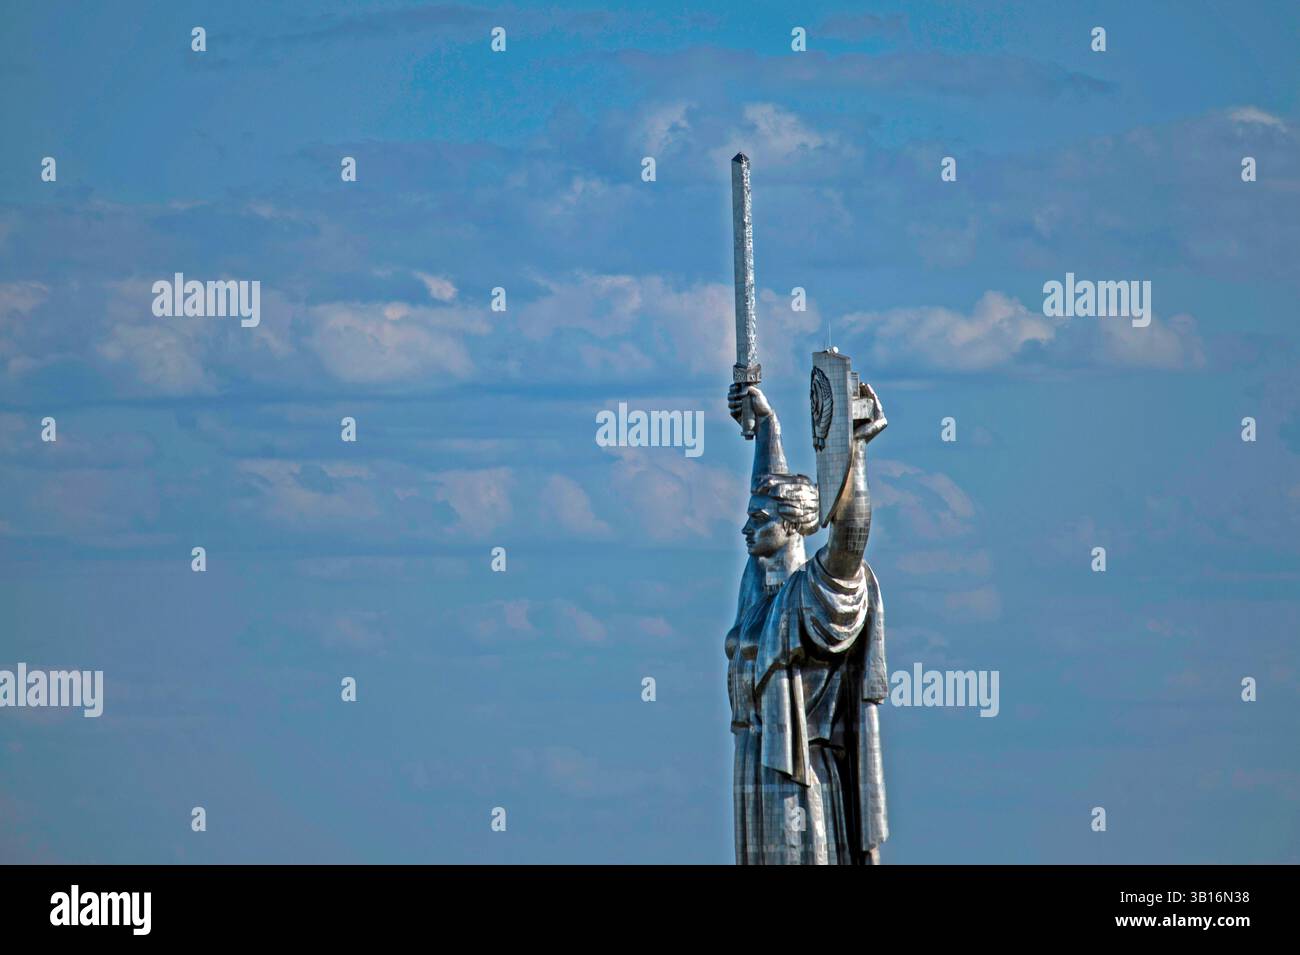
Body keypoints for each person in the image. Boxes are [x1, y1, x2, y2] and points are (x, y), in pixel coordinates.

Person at [725, 378, 889, 864]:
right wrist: (766, 424)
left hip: (801, 773)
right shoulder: (763, 592)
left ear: (794, 525)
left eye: (759, 519)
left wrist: (855, 452)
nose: (747, 526)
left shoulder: (811, 594)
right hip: (756, 758)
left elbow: (849, 541)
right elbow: (767, 488)